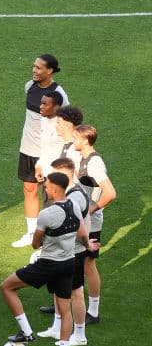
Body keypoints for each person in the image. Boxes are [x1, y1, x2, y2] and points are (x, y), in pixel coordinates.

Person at [0, 172, 94, 346]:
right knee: (65, 310)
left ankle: (26, 331)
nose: (44, 187)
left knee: (7, 287)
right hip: (69, 263)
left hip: (47, 264)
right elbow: (83, 234)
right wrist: (89, 246)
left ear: (54, 189)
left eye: (47, 185)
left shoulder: (47, 214)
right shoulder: (74, 206)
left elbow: (35, 244)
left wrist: (43, 237)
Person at [12, 54, 69, 248]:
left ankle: (51, 236)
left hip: (49, 153)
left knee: (51, 194)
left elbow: (67, 122)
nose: (34, 70)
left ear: (50, 71)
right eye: (33, 67)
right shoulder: (29, 86)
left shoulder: (58, 93)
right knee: (29, 189)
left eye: (38, 68)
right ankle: (31, 232)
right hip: (28, 147)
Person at [36, 157, 92, 346]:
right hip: (63, 251)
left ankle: (80, 334)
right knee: (59, 291)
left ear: (66, 173)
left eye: (54, 174)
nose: (49, 179)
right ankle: (56, 327)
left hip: (73, 251)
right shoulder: (67, 193)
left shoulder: (74, 197)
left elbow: (74, 227)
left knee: (75, 292)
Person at [73, 124, 116, 325]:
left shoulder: (94, 164)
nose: (73, 140)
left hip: (91, 222)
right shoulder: (83, 159)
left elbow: (110, 192)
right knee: (75, 260)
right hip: (83, 219)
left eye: (75, 137)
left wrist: (91, 209)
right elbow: (94, 189)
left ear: (85, 141)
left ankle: (93, 311)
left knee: (88, 262)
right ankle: (63, 301)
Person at [33, 92, 65, 182]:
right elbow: (45, 148)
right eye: (41, 103)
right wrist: (39, 166)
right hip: (46, 174)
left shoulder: (63, 126)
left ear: (56, 107)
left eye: (45, 104)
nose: (40, 106)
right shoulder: (43, 121)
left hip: (60, 175)